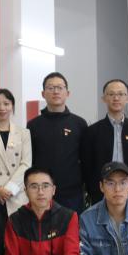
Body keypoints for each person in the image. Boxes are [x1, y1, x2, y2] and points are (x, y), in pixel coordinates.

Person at [26, 72, 89, 213]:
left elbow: (85, 159)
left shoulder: (79, 123)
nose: (55, 91)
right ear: (43, 94)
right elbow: (30, 159)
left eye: (60, 87)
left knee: (72, 226)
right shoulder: (33, 125)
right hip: (42, 192)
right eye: (50, 88)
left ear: (67, 93)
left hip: (72, 193)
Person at [83, 79, 128, 205]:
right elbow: (87, 164)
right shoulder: (92, 131)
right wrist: (93, 189)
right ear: (104, 98)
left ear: (127, 98)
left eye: (121, 94)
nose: (116, 98)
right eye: (111, 94)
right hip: (101, 192)